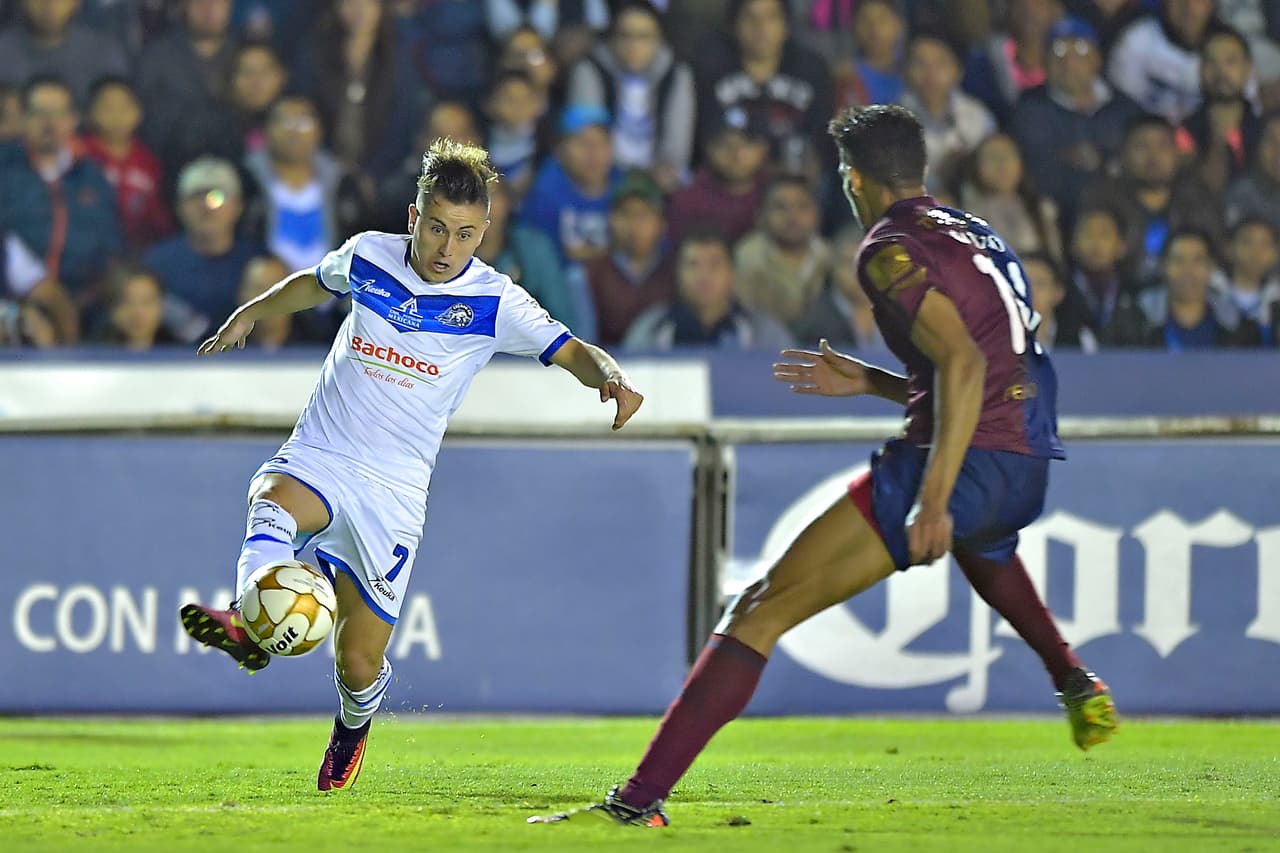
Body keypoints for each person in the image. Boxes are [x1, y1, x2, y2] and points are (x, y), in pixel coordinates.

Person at [536, 104, 1116, 828]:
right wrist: (872, 381)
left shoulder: (887, 246)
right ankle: (1071, 674)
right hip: (1025, 457)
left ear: (854, 178)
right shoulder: (980, 236)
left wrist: (934, 498)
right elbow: (989, 367)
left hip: (960, 457)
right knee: (984, 540)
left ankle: (635, 802)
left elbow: (964, 363)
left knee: (759, 606)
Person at [179, 138, 644, 792]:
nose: (446, 248)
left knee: (359, 661)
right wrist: (252, 312)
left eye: (463, 235)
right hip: (325, 451)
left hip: (394, 493)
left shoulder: (496, 302)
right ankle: (247, 618)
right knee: (273, 496)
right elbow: (312, 285)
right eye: (435, 227)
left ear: (484, 233)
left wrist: (613, 377)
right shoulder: (369, 254)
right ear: (412, 216)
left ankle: (351, 728)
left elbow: (572, 349)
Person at [565, 0, 696, 190]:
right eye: (625, 36)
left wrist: (658, 173)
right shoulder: (589, 69)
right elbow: (586, 138)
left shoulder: (677, 73)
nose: (633, 46)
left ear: (659, 40)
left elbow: (677, 146)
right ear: (612, 38)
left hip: (658, 177)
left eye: (643, 37)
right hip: (602, 174)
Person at [622, 228, 792, 351]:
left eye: (715, 264)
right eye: (692, 265)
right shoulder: (650, 331)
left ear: (732, 273)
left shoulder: (766, 334)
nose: (704, 275)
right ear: (677, 273)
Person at [81, 76, 174, 253]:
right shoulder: (79, 155)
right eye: (107, 108)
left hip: (140, 252)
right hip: (90, 252)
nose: (117, 116)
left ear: (139, 112)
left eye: (125, 107)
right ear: (90, 113)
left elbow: (158, 219)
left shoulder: (149, 161)